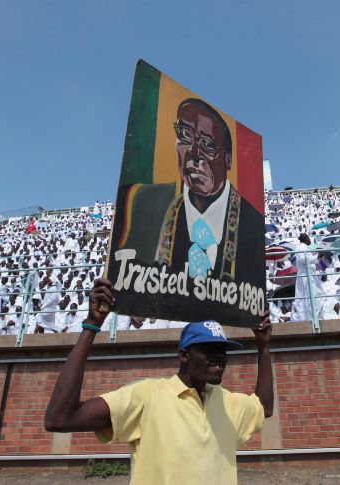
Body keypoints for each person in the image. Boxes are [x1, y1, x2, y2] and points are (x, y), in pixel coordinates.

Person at [44, 278, 273, 485]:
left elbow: (264, 407)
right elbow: (60, 418)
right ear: (184, 355)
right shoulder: (148, 396)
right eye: (207, 348)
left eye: (222, 350)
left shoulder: (226, 402)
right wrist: (91, 326)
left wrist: (263, 347)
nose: (218, 357)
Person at [110, 98, 264, 324]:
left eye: (208, 145)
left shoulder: (252, 223)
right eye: (185, 135)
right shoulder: (140, 203)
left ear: (228, 159)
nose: (194, 153)